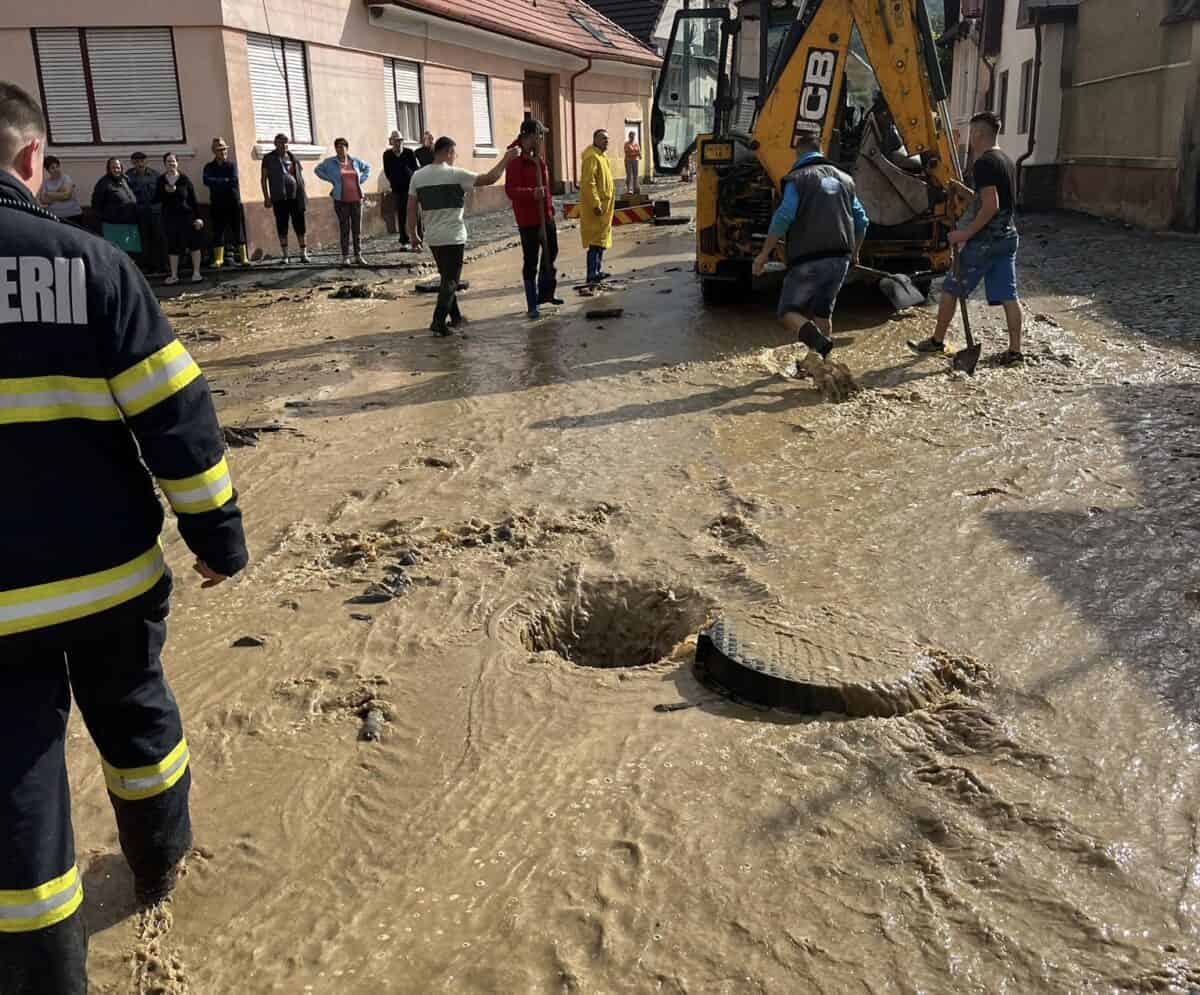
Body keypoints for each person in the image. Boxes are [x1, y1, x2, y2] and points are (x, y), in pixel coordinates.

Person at [0, 81, 248, 995]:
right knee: (138, 720)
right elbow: (177, 415)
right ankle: (158, 865)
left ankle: (42, 972)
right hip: (108, 577)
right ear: (34, 163)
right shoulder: (94, 269)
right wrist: (217, 538)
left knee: (15, 781)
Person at [909, 110, 1023, 364]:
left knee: (951, 288)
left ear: (979, 133)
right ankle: (1015, 352)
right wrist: (963, 191)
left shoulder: (984, 163)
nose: (970, 139)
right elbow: (991, 201)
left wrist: (964, 234)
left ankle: (937, 342)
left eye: (972, 133)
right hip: (1007, 238)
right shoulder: (1006, 159)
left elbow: (990, 205)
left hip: (985, 241)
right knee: (1009, 295)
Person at [751, 122, 869, 360]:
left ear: (798, 152)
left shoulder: (797, 178)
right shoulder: (846, 180)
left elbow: (784, 215)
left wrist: (764, 254)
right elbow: (862, 220)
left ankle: (818, 343)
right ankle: (823, 365)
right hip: (840, 260)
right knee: (823, 314)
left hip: (808, 259)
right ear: (821, 150)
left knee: (788, 312)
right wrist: (855, 254)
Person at [408, 136, 518, 335]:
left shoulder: (418, 176)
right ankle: (438, 321)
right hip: (453, 236)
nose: (454, 158)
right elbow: (490, 178)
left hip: (432, 236)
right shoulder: (455, 174)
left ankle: (456, 317)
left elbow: (411, 207)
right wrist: (506, 160)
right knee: (451, 280)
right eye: (454, 154)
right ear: (448, 152)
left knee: (446, 277)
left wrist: (413, 234)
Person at [505, 119, 562, 319]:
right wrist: (532, 194)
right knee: (531, 260)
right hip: (528, 219)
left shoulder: (538, 159)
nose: (542, 139)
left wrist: (550, 207)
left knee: (551, 251)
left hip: (545, 215)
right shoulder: (515, 159)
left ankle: (546, 293)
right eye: (540, 136)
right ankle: (532, 303)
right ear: (530, 136)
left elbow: (545, 188)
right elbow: (510, 191)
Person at [316, 137, 370, 266]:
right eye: (338, 147)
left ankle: (358, 255)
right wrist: (332, 180)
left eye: (343, 146)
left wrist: (360, 180)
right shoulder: (331, 162)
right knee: (344, 228)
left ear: (347, 148)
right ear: (335, 149)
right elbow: (318, 170)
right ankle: (345, 256)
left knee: (357, 230)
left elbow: (367, 168)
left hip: (356, 199)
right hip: (341, 200)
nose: (341, 149)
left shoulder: (355, 161)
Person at [155, 152, 205, 284]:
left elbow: (193, 200)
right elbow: (155, 199)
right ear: (164, 164)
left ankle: (196, 273)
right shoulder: (161, 180)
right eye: (168, 162)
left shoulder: (184, 179)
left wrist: (199, 218)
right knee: (173, 246)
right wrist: (166, 192)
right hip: (170, 218)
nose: (171, 164)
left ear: (177, 163)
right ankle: (174, 275)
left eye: (173, 161)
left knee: (194, 244)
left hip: (187, 217)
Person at [260, 133, 310, 264]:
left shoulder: (293, 157)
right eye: (281, 142)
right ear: (275, 143)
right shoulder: (268, 158)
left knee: (300, 226)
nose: (284, 145)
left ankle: (303, 254)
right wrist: (266, 197)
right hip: (279, 198)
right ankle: (285, 256)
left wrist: (303, 194)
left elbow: (300, 177)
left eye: (286, 142)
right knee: (282, 226)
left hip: (296, 197)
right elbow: (263, 179)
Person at [201, 137, 248, 269]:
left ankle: (244, 257)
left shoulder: (231, 165)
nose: (223, 152)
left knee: (237, 229)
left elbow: (233, 180)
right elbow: (206, 181)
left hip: (233, 202)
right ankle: (218, 259)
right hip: (217, 203)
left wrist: (217, 182)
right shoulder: (209, 167)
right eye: (219, 150)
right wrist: (224, 181)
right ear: (214, 152)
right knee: (218, 230)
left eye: (224, 150)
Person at [579, 129, 615, 284]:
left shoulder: (602, 156)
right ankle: (591, 273)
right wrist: (595, 203)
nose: (606, 141)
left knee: (601, 241)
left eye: (607, 138)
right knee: (595, 242)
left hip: (605, 207)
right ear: (595, 139)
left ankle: (598, 270)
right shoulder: (592, 157)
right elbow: (588, 182)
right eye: (603, 138)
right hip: (596, 208)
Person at [126, 151, 167, 272]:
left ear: (146, 161)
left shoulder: (155, 175)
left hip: (156, 211)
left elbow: (162, 192)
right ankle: (147, 266)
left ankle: (163, 265)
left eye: (142, 161)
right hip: (140, 212)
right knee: (144, 239)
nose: (140, 163)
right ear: (132, 162)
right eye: (137, 161)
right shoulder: (128, 176)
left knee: (159, 237)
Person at [90, 157, 141, 254]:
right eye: (113, 168)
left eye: (118, 167)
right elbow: (96, 205)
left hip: (130, 224)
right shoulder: (103, 183)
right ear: (108, 169)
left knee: (131, 254)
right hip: (114, 227)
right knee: (118, 254)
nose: (117, 170)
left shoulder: (125, 179)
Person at [383, 130, 419, 248]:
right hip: (397, 189)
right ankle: (404, 241)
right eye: (395, 141)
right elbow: (387, 171)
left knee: (415, 213)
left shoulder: (409, 152)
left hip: (411, 187)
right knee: (401, 214)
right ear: (391, 141)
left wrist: (411, 177)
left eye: (400, 140)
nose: (398, 143)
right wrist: (393, 181)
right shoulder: (387, 154)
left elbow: (415, 168)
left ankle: (418, 239)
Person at [37, 155, 82, 223]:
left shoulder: (66, 178)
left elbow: (66, 196)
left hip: (72, 215)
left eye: (57, 166)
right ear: (48, 170)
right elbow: (44, 200)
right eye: (52, 168)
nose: (56, 170)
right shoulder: (45, 183)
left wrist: (49, 194)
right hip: (54, 217)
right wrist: (59, 191)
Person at [623, 130, 641, 196]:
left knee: (635, 175)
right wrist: (635, 153)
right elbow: (627, 152)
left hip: (635, 160)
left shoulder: (636, 143)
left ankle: (635, 188)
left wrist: (639, 155)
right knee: (629, 175)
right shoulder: (626, 144)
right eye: (631, 136)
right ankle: (629, 189)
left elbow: (639, 151)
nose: (632, 137)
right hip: (628, 160)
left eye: (633, 136)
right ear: (629, 136)